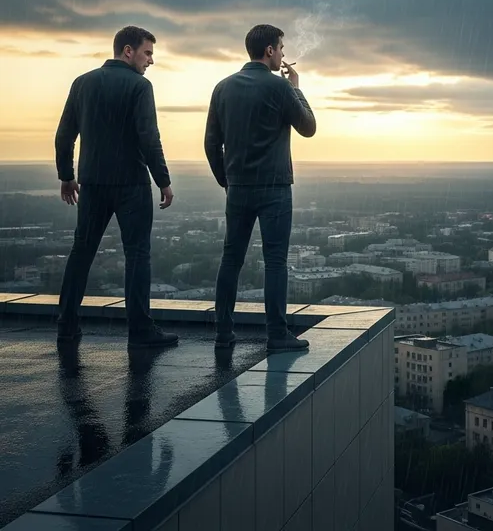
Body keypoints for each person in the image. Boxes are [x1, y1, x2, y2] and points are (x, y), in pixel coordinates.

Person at [54, 26, 179, 349]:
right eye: (147, 53)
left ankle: (66, 325)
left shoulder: (82, 83)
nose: (151, 60)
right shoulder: (140, 86)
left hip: (92, 183)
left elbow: (64, 134)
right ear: (128, 51)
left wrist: (67, 175)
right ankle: (140, 330)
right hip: (131, 184)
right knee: (137, 254)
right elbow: (149, 137)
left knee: (81, 252)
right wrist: (163, 180)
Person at [205, 23, 317, 350]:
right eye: (281, 48)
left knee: (231, 259)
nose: (282, 54)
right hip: (275, 188)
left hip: (238, 187)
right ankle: (277, 335)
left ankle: (223, 332)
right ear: (270, 50)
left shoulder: (222, 88)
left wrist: (226, 181)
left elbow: (211, 144)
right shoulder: (280, 88)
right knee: (275, 262)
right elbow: (308, 127)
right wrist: (296, 88)